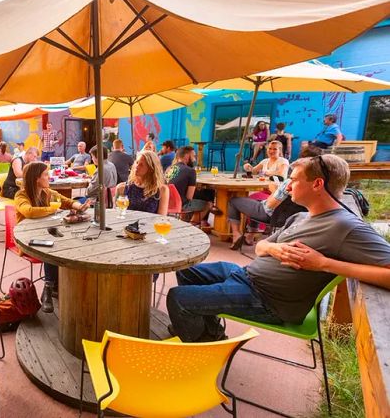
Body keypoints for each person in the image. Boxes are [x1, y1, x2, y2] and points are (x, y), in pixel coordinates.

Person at [167, 154, 390, 343]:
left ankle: (200, 351)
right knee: (186, 269)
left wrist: (324, 264)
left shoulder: (345, 226)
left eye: (293, 180)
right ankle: (211, 335)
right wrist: (274, 250)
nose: (287, 186)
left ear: (317, 184)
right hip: (246, 276)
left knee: (178, 298)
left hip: (267, 299)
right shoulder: (302, 215)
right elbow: (261, 247)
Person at [15, 161, 89, 313]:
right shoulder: (21, 195)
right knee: (53, 246)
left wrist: (79, 206)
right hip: (28, 239)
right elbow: (28, 211)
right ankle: (49, 287)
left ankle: (59, 285)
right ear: (37, 178)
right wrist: (52, 209)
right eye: (46, 174)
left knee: (67, 242)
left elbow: (65, 201)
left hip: (46, 232)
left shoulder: (47, 192)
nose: (49, 177)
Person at [227, 145, 322, 250]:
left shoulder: (291, 182)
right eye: (270, 148)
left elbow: (270, 206)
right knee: (256, 201)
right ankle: (250, 236)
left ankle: (236, 235)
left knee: (233, 201)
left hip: (273, 216)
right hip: (294, 218)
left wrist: (274, 189)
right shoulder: (319, 184)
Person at [165, 146, 214, 229]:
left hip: (167, 203)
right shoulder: (190, 171)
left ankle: (184, 222)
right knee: (208, 204)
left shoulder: (169, 169)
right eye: (193, 156)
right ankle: (190, 227)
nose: (194, 159)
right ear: (187, 156)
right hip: (181, 205)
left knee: (202, 194)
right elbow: (189, 197)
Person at [115, 150, 169, 215]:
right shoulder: (122, 188)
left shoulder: (162, 190)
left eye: (141, 165)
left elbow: (161, 218)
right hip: (127, 224)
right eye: (137, 163)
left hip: (151, 224)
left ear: (151, 169)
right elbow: (117, 214)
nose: (137, 166)